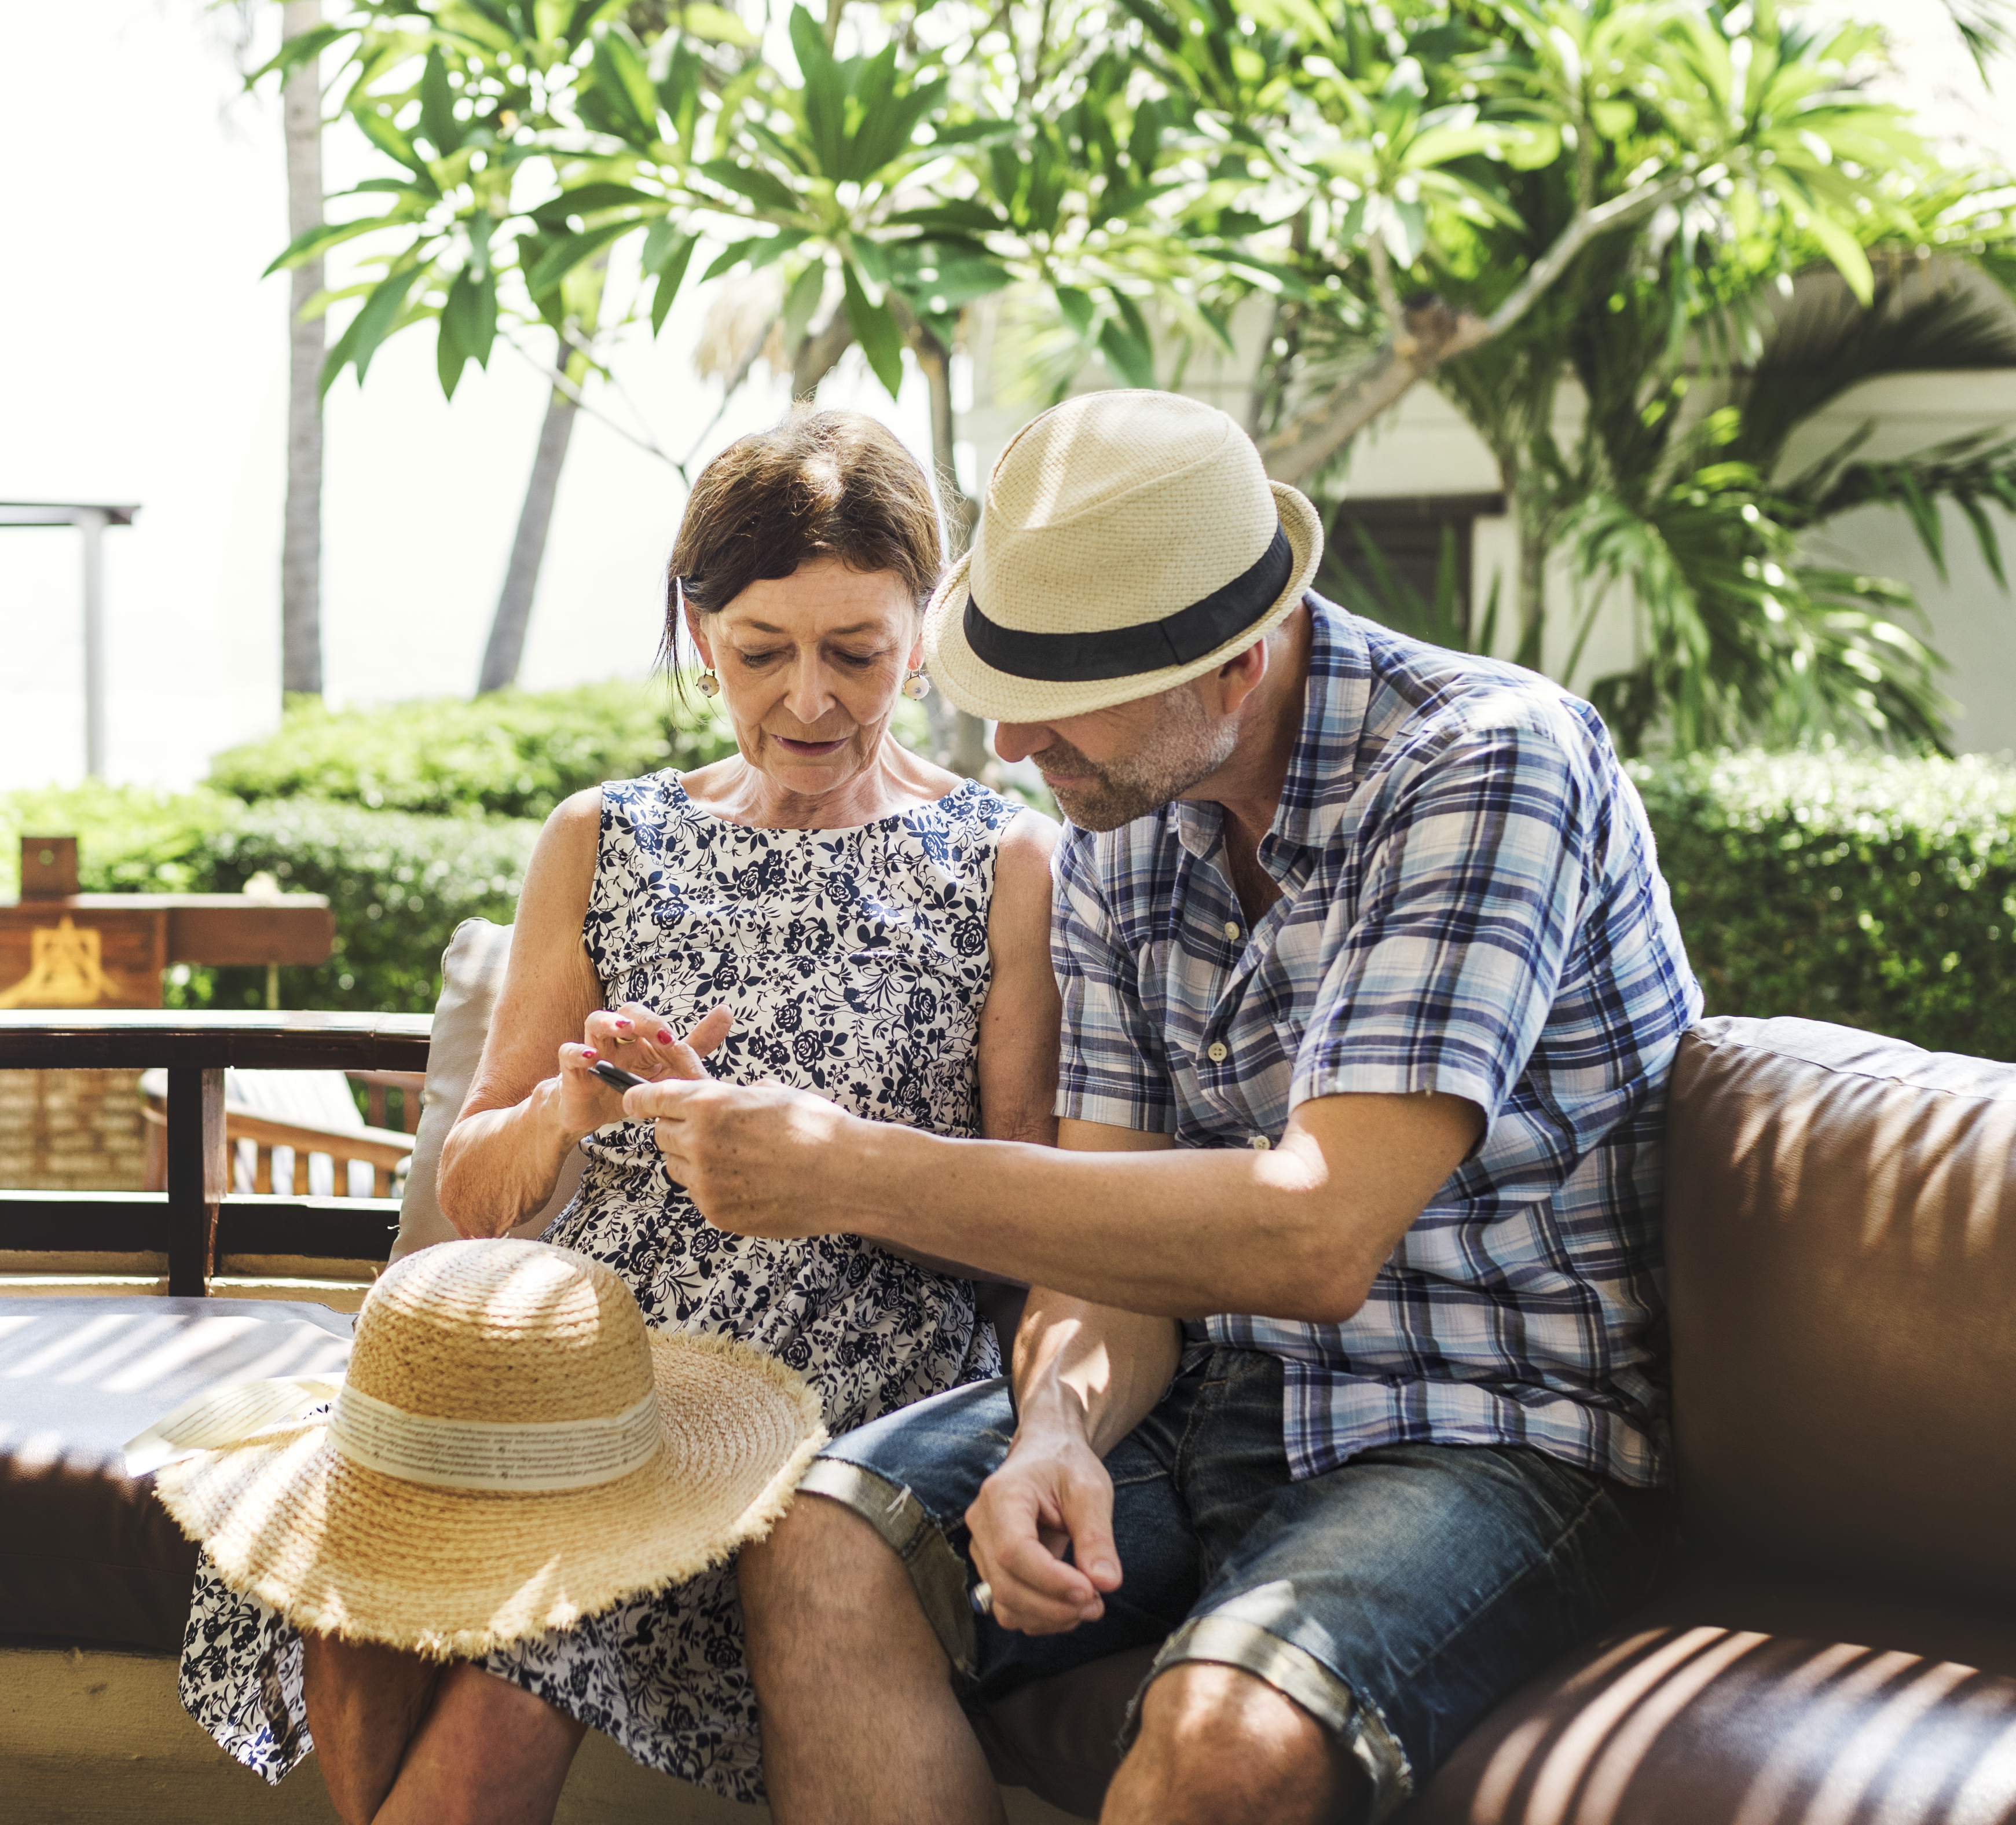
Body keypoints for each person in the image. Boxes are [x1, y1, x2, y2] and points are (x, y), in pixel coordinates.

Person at [622, 389, 1705, 1825]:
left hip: (1490, 1422)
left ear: (1236, 662)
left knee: (1221, 1737)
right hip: (1210, 1392)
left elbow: (1313, 1234)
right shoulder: (1119, 822)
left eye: (1057, 698)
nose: (1012, 744)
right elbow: (1105, 1252)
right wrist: (1056, 1428)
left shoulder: (1486, 762)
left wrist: (851, 1169)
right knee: (824, 1536)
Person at [175, 408, 1061, 1825]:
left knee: (499, 1692)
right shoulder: (605, 836)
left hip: (836, 1393)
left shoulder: (1006, 858)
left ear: (924, 631)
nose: (810, 699)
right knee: (360, 1548)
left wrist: (836, 1173)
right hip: (588, 1378)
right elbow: (478, 1191)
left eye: (856, 652)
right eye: (761, 651)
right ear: (698, 628)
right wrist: (569, 1107)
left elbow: (1038, 1219)